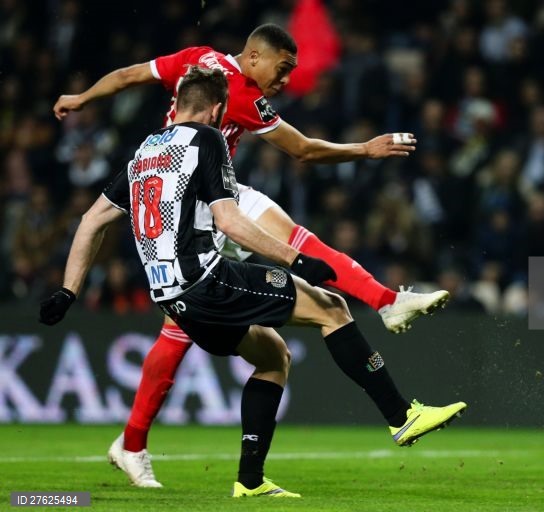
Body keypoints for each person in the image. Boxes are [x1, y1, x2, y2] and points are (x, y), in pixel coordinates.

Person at [51, 24, 451, 485]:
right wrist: (364, 148)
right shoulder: (238, 94)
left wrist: (81, 98)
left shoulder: (196, 60)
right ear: (255, 57)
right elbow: (301, 150)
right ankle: (387, 327)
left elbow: (127, 75)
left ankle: (144, 446)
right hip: (199, 199)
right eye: (282, 69)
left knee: (261, 316)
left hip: (174, 185)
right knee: (302, 283)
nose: (284, 81)